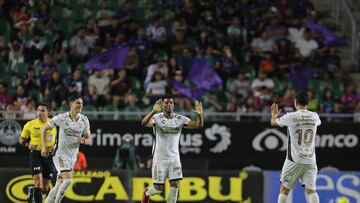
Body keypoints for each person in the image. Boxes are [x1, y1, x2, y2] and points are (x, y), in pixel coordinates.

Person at [141, 98, 204, 203]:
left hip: (174, 158)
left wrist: (200, 115)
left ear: (174, 105)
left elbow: (198, 125)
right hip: (159, 158)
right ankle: (146, 193)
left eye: (171, 103)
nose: (169, 104)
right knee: (158, 189)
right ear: (163, 105)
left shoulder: (180, 119)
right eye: (166, 103)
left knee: (175, 184)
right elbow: (143, 123)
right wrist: (153, 111)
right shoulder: (156, 118)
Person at [271, 92, 321, 203]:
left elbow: (274, 123)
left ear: (295, 103)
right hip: (310, 160)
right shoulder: (315, 116)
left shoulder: (291, 116)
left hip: (294, 159)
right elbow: (317, 123)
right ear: (307, 103)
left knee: (284, 189)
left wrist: (274, 115)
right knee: (311, 191)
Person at [41, 94, 91, 203]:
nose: (81, 105)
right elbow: (44, 129)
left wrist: (83, 140)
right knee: (68, 180)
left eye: (82, 103)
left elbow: (89, 140)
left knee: (59, 183)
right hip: (60, 154)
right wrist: (44, 147)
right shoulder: (61, 118)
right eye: (78, 103)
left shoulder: (84, 120)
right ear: (71, 104)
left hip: (73, 156)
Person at [19, 103, 57, 203]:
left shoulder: (54, 123)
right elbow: (21, 140)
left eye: (42, 110)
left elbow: (58, 139)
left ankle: (31, 190)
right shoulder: (30, 124)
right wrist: (28, 145)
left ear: (48, 112)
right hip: (35, 155)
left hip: (49, 157)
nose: (39, 112)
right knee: (38, 183)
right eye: (38, 110)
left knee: (45, 188)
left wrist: (55, 146)